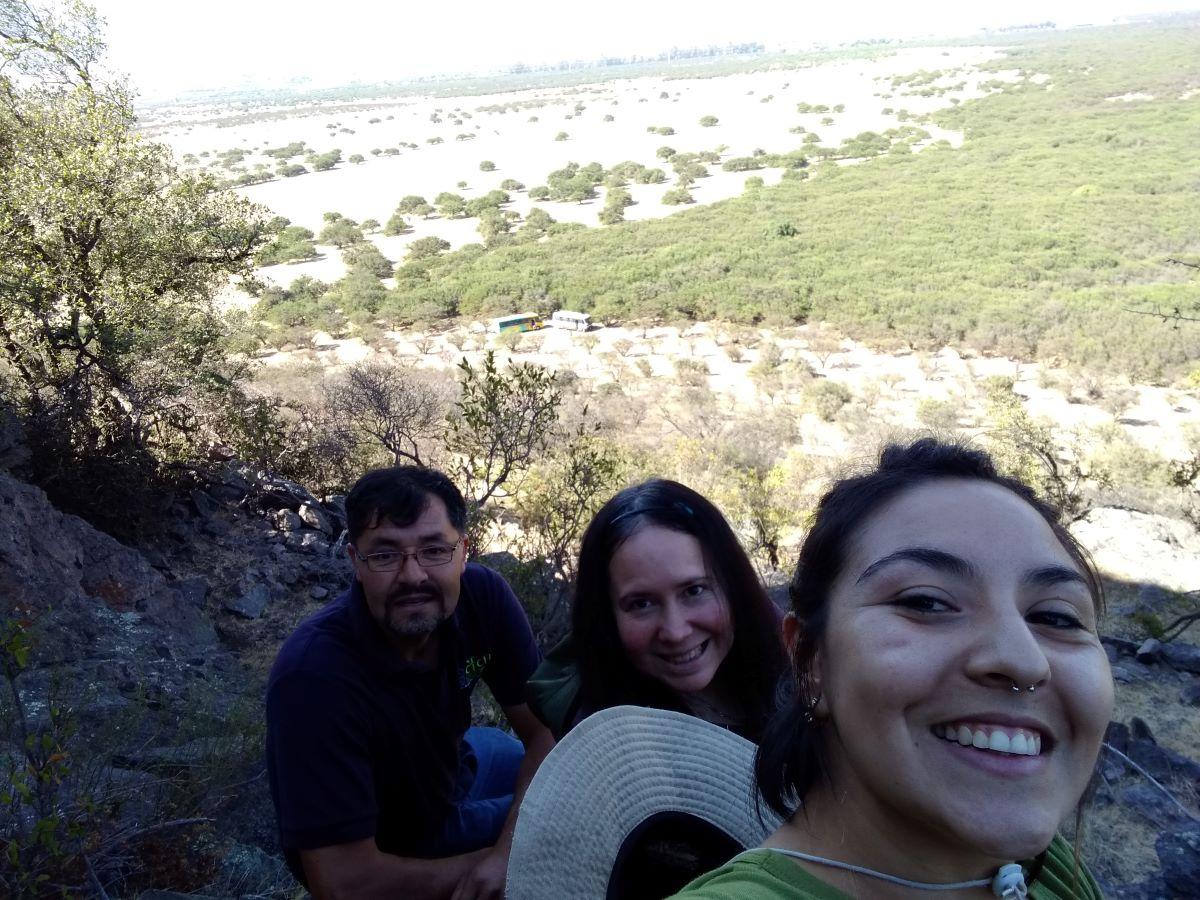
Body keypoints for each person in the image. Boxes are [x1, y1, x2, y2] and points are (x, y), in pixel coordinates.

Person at [674, 438, 1112, 899]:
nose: (1023, 661)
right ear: (810, 662)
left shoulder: (1045, 871)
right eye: (926, 602)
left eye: (1056, 617)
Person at [266, 466, 554, 900]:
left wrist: (506, 853)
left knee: (546, 766)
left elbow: (544, 727)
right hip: (406, 846)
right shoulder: (313, 678)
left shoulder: (483, 597)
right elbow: (344, 884)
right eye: (384, 555)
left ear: (463, 553)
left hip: (453, 767)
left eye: (434, 550)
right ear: (354, 563)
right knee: (573, 826)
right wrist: (504, 864)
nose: (413, 576)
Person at [528, 478, 786, 742]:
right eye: (641, 604)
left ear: (733, 586)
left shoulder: (793, 666)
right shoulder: (609, 747)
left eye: (694, 590)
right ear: (607, 619)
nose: (676, 632)